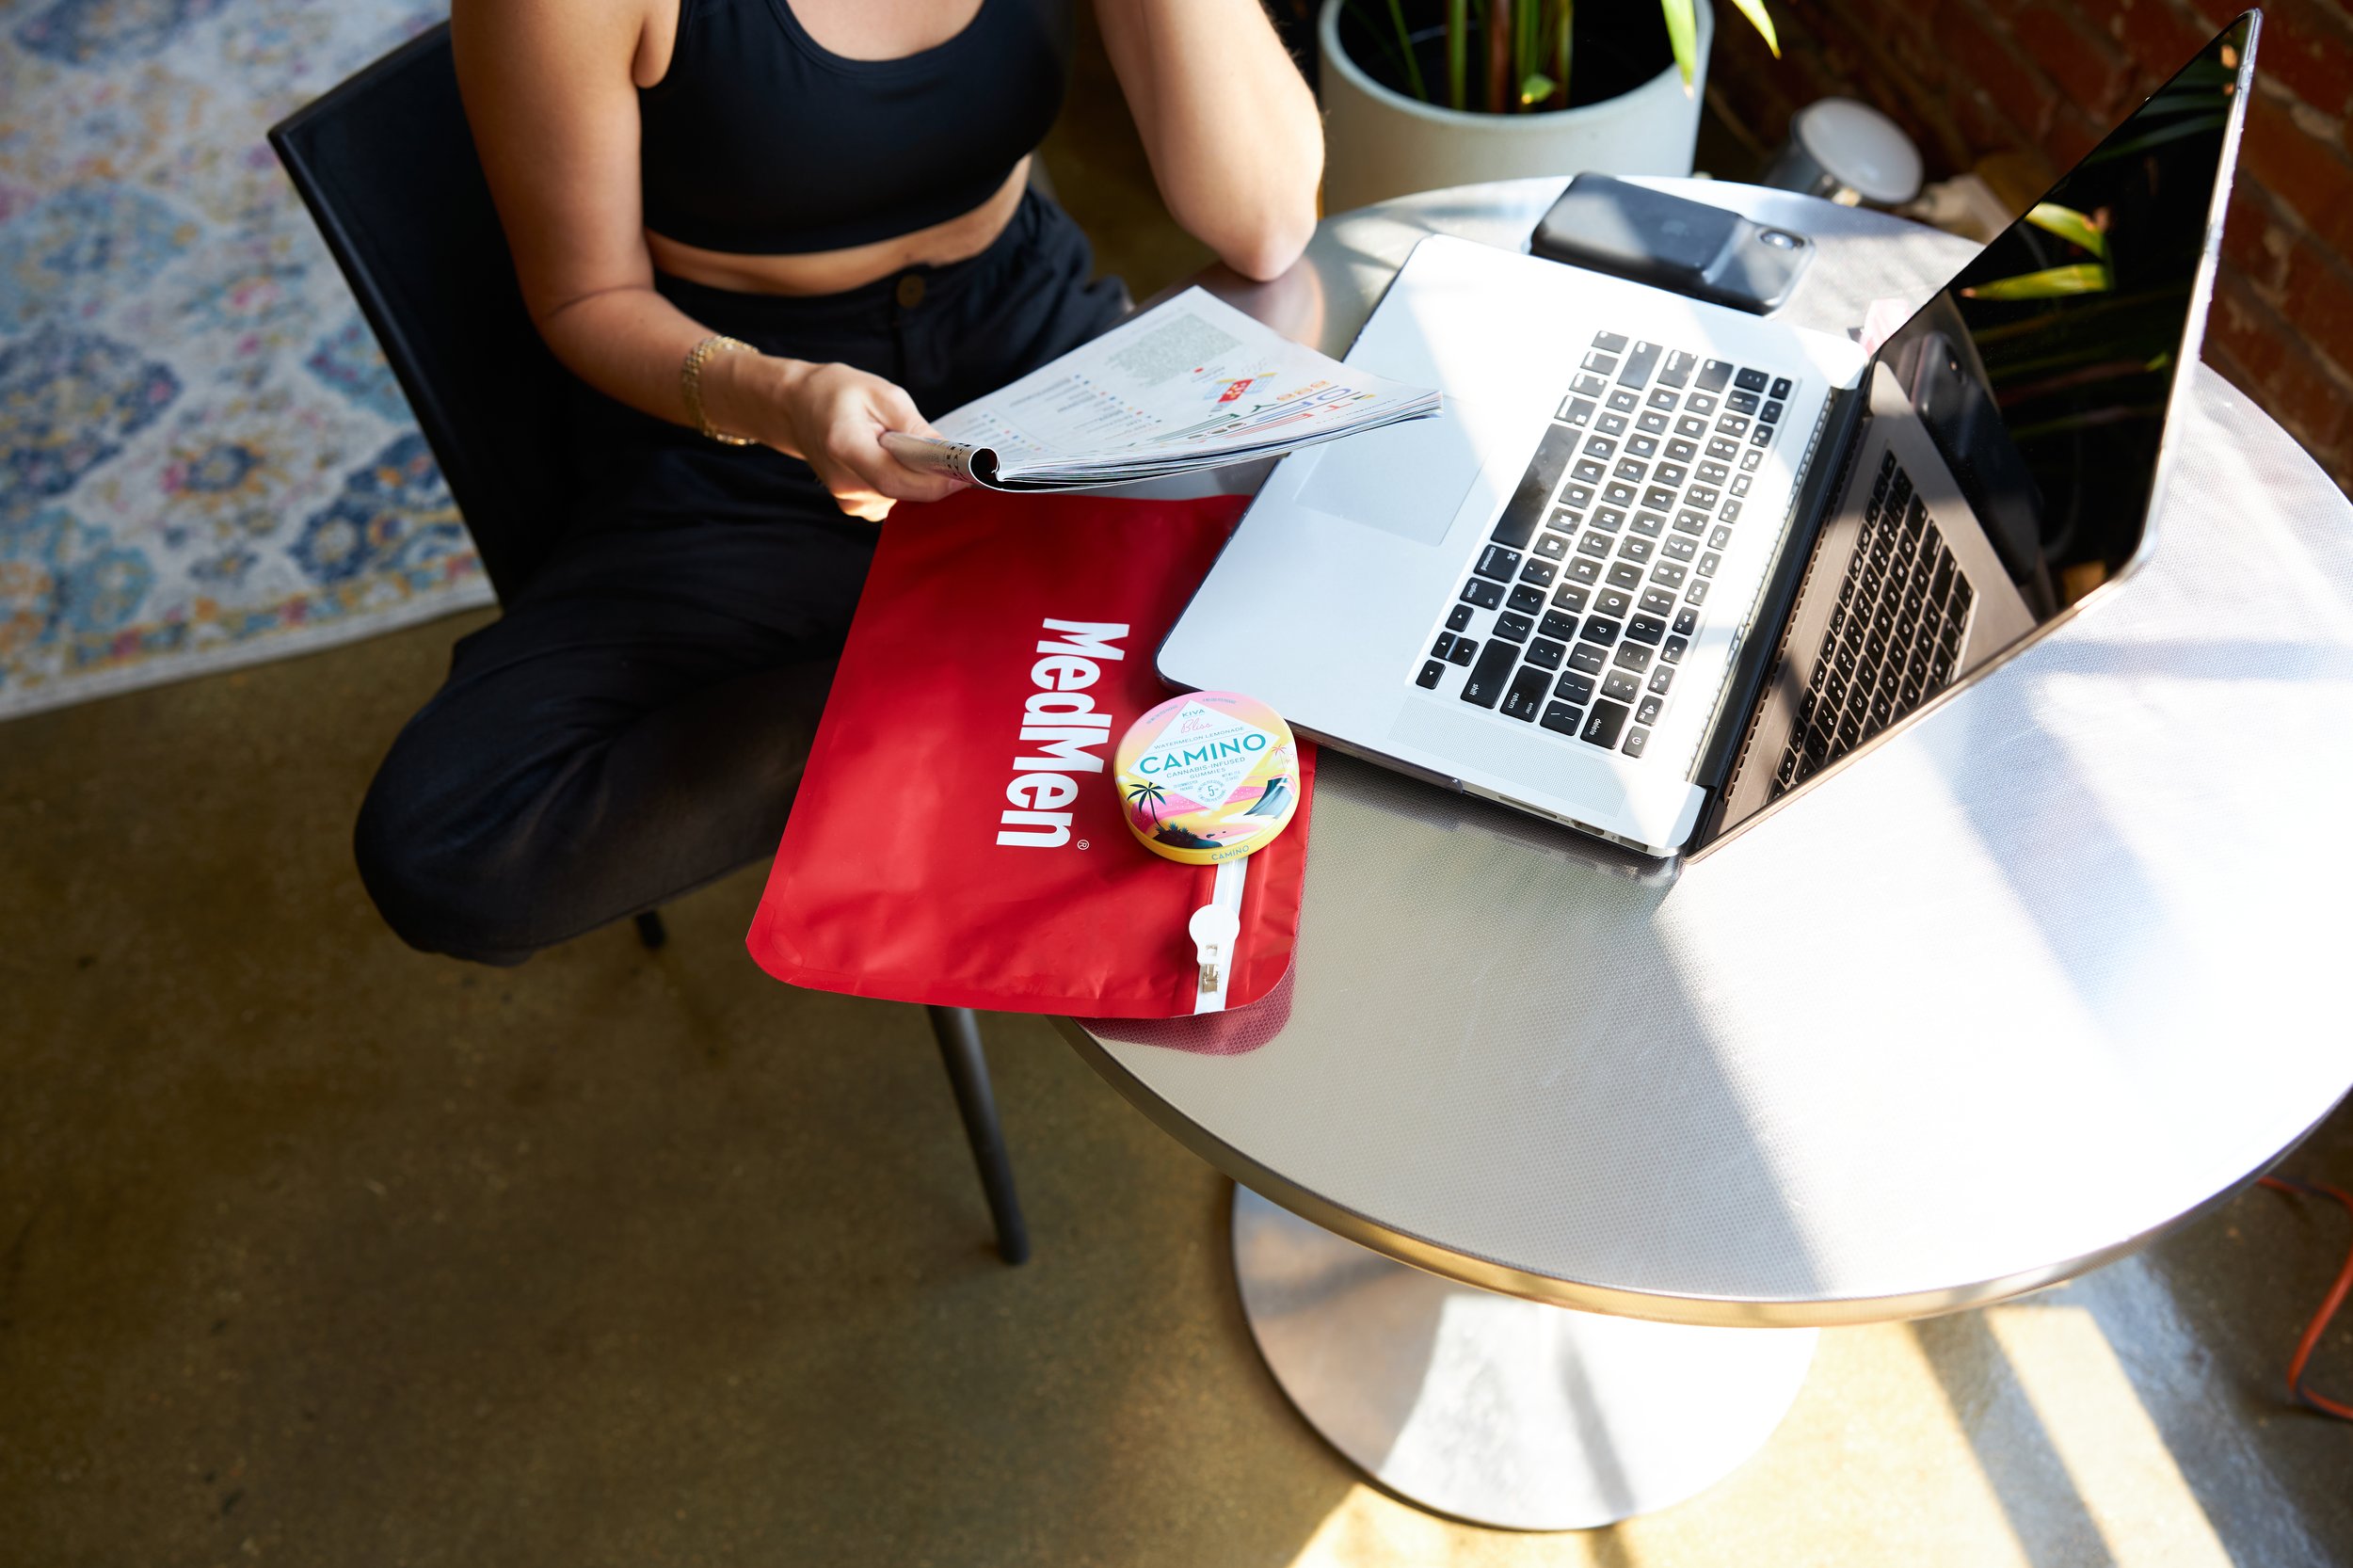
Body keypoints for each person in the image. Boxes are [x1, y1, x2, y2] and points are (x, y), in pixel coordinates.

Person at [353, 0, 1323, 965]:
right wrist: (777, 400)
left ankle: (1004, 678)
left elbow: (1268, 228)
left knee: (1339, 562)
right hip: (745, 416)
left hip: (1035, 361)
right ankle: (1015, 679)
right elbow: (584, 297)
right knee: (454, 847)